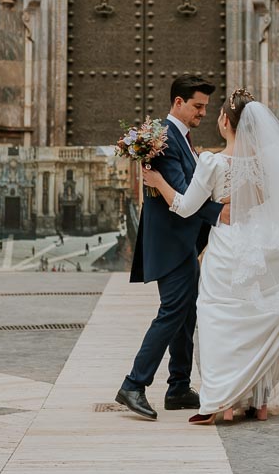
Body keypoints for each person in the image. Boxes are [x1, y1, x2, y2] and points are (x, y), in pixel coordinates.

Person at [143, 89, 279, 424]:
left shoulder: (212, 161)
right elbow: (274, 203)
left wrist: (158, 181)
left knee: (218, 322)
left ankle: (220, 402)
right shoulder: (269, 164)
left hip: (227, 251)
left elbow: (183, 207)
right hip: (261, 247)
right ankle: (259, 402)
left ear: (224, 121)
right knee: (259, 320)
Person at [115, 75, 229, 420]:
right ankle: (134, 384)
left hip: (182, 242)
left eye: (206, 107)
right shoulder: (164, 138)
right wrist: (223, 212)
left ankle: (179, 387)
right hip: (171, 242)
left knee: (185, 314)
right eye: (197, 106)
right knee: (172, 313)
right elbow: (182, 197)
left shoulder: (180, 138)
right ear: (178, 103)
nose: (203, 113)